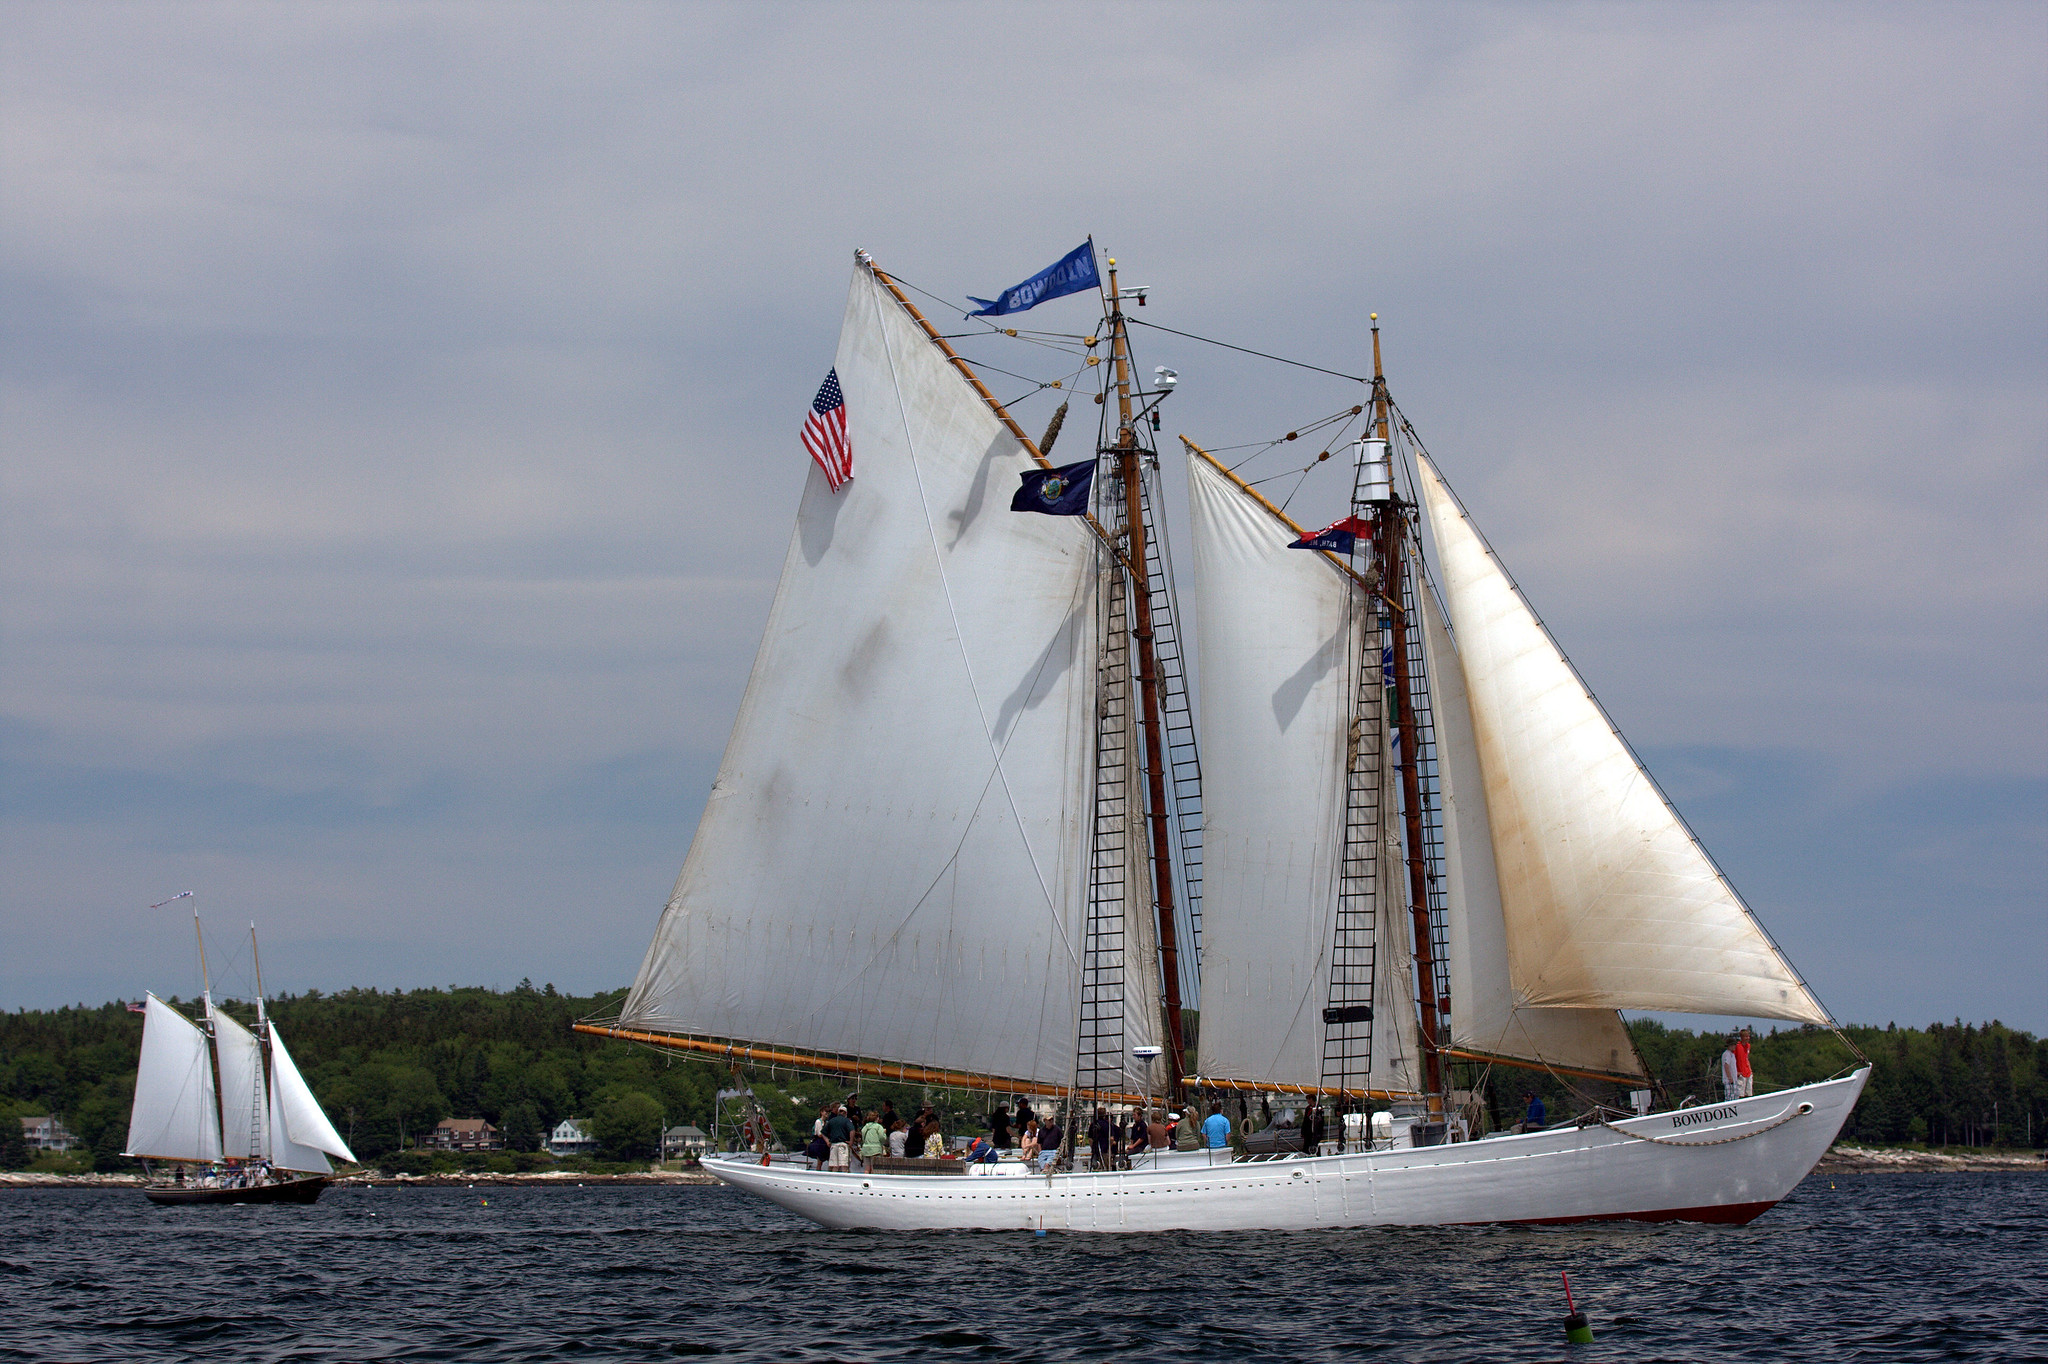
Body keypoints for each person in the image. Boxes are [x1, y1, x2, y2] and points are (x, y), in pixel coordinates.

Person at [824, 1103, 853, 1172]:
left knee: (834, 1166)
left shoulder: (832, 1120)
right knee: (844, 1166)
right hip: (843, 1145)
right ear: (845, 1113)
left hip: (833, 1145)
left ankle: (834, 1177)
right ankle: (844, 1177)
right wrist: (851, 1141)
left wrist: (827, 1142)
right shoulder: (847, 1120)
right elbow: (852, 1131)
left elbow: (823, 1132)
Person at [1734, 1027, 1754, 1098]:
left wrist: (1750, 1070)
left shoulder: (1748, 1046)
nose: (1748, 1038)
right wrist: (1736, 1071)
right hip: (1741, 1073)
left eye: (1748, 1036)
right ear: (1742, 1037)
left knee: (1749, 1092)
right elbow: (1733, 1059)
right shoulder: (1737, 1046)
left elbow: (1746, 1058)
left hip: (1748, 1072)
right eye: (1746, 1036)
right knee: (1740, 1093)